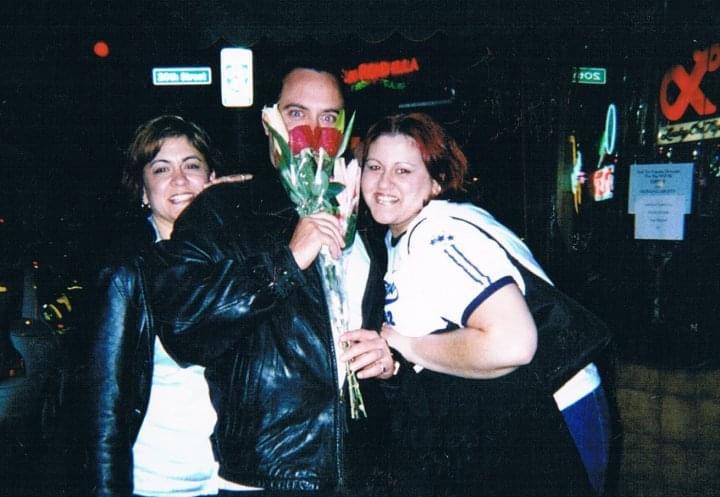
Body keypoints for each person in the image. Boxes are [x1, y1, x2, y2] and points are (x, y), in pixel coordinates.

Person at [148, 66, 395, 496]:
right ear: (269, 123)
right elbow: (184, 329)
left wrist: (390, 361)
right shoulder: (224, 210)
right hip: (268, 475)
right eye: (297, 114)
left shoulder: (368, 218)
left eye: (329, 118)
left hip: (360, 474)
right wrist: (286, 262)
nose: (314, 134)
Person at [353, 112, 609, 497]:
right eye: (374, 167)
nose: (384, 182)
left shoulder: (437, 235)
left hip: (553, 413)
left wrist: (406, 344)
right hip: (512, 414)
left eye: (403, 170)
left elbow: (512, 343)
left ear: (436, 181)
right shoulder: (405, 233)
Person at [87, 115, 251, 497]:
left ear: (212, 178)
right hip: (160, 483)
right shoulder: (127, 275)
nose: (179, 180)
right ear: (144, 191)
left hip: (236, 479)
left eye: (192, 165)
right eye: (161, 169)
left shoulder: (239, 262)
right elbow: (105, 410)